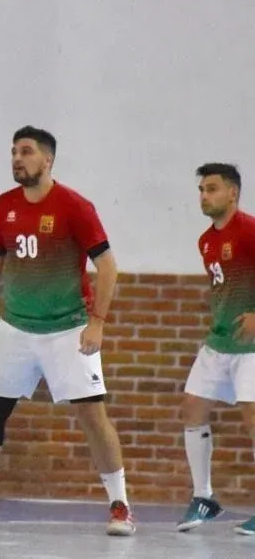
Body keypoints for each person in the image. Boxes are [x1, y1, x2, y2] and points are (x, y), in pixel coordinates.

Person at [0, 126, 136, 537]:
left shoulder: (74, 206)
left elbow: (108, 266)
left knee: (92, 415)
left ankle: (121, 507)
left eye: (26, 152)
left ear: (48, 160)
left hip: (68, 329)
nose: (17, 158)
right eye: (13, 152)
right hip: (15, 329)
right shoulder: (3, 206)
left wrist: (97, 322)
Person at [176, 163, 255, 536]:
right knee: (192, 407)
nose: (204, 196)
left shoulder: (250, 231)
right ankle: (204, 497)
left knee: (252, 417)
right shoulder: (205, 241)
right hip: (219, 340)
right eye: (201, 190)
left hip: (251, 346)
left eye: (211, 189)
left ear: (232, 193)